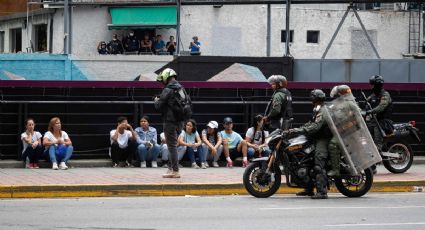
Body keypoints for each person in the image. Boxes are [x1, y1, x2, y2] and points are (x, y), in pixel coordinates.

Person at [288, 89, 330, 199]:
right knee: (306, 161)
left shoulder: (323, 111)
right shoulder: (317, 109)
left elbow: (316, 127)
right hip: (315, 137)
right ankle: (309, 188)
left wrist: (299, 130)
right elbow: (311, 123)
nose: (311, 100)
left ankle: (322, 192)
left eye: (312, 98)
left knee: (317, 164)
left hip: (322, 139)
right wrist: (299, 129)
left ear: (315, 99)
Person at [154, 68, 188, 178]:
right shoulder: (181, 88)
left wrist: (156, 100)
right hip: (181, 121)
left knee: (171, 146)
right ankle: (170, 168)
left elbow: (158, 106)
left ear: (165, 77)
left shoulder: (167, 89)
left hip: (170, 121)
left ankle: (175, 171)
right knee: (173, 145)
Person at [365, 75, 393, 152]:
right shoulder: (373, 96)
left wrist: (371, 111)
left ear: (377, 85)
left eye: (372, 85)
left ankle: (378, 150)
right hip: (374, 121)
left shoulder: (385, 95)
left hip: (383, 122)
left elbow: (381, 107)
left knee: (377, 137)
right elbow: (365, 103)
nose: (371, 87)